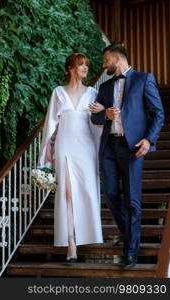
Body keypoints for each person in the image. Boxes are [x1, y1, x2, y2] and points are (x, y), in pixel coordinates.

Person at [90, 43, 164, 269]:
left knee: (132, 199)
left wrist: (149, 139)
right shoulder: (104, 87)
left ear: (116, 58)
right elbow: (95, 119)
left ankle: (130, 251)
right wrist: (105, 114)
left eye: (106, 61)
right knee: (111, 195)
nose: (104, 66)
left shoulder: (144, 79)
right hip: (109, 148)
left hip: (132, 148)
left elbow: (158, 113)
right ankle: (131, 233)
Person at [37, 53, 103, 263]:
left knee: (87, 191)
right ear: (71, 68)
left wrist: (101, 112)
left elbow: (98, 123)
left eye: (86, 65)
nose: (85, 68)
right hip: (65, 146)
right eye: (81, 65)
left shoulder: (93, 93)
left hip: (86, 147)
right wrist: (48, 149)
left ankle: (89, 234)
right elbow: (51, 125)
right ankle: (71, 243)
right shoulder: (58, 92)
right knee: (67, 194)